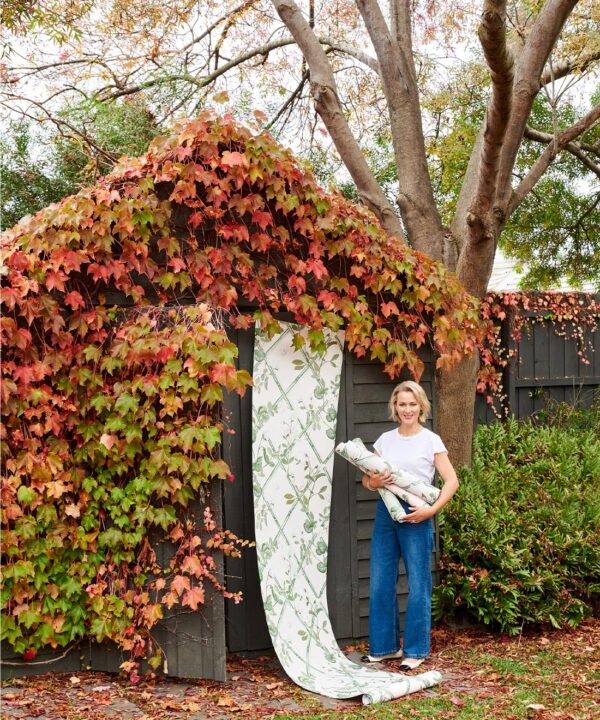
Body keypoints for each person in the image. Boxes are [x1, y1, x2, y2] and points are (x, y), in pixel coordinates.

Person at [360, 380, 459, 671]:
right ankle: (385, 647)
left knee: (418, 585)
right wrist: (372, 482)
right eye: (402, 404)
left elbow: (452, 481)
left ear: (421, 407)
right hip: (386, 514)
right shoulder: (384, 441)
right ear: (395, 406)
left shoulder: (431, 440)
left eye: (412, 404)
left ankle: (415, 650)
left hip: (418, 513)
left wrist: (430, 511)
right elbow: (369, 480)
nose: (407, 409)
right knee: (380, 582)